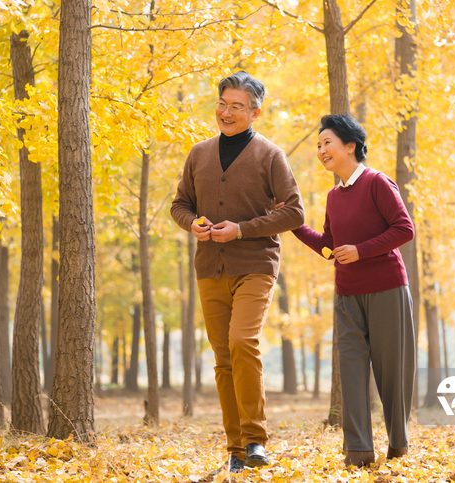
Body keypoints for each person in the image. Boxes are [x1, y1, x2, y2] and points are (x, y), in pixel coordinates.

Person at [170, 71, 305, 474]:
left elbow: (295, 211)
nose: (226, 112)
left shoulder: (270, 155)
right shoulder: (199, 153)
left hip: (256, 265)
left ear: (255, 112)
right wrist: (191, 223)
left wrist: (242, 229)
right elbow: (180, 204)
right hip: (210, 266)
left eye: (237, 107)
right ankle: (235, 448)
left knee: (243, 342)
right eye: (222, 104)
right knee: (223, 358)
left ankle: (256, 440)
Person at [291, 114, 416, 467]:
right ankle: (358, 450)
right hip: (346, 293)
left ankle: (398, 443)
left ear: (350, 146)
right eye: (318, 145)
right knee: (351, 368)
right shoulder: (333, 196)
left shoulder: (377, 182)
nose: (321, 150)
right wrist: (295, 225)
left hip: (386, 288)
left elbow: (404, 229)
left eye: (326, 143)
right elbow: (330, 245)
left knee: (391, 370)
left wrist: (361, 250)